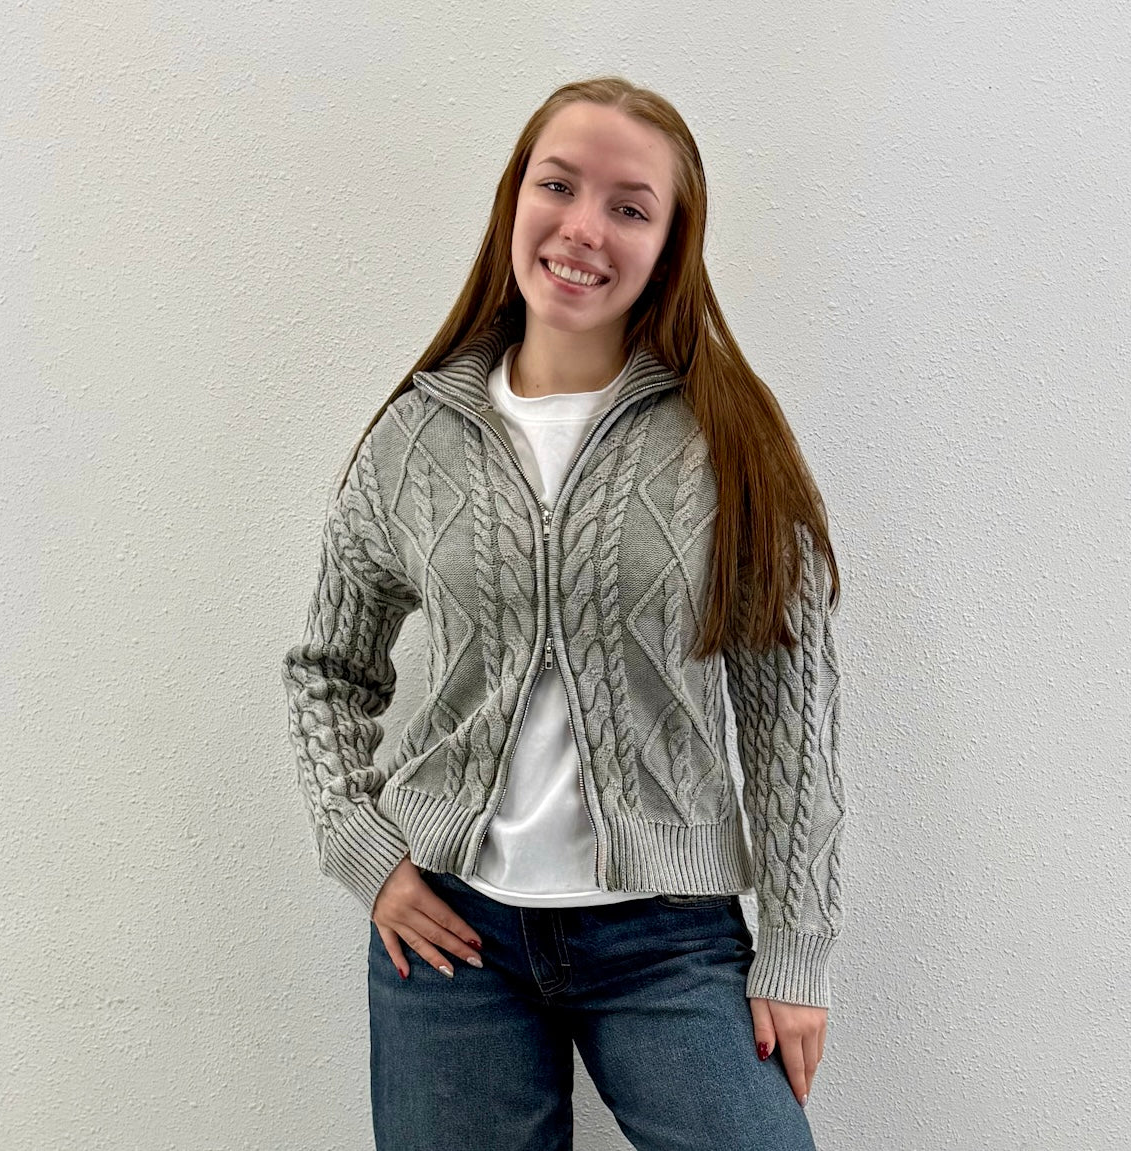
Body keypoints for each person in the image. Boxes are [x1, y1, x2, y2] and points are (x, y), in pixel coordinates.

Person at [282, 75, 845, 1151]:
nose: (584, 226)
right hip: (451, 933)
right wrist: (360, 843)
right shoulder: (414, 438)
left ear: (669, 245)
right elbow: (328, 667)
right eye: (558, 185)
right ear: (513, 200)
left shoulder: (729, 440)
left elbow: (791, 718)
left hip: (668, 939)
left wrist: (795, 949)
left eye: (629, 206)